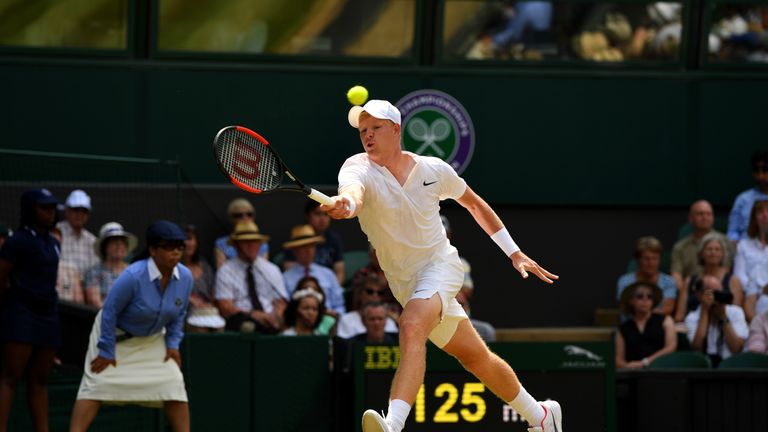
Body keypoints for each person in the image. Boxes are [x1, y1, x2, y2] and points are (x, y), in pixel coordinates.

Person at [323, 99, 561, 432]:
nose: (368, 136)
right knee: (475, 357)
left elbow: (475, 205)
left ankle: (393, 424)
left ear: (396, 129)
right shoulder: (357, 168)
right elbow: (353, 194)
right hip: (404, 282)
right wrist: (346, 205)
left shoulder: (434, 170)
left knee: (410, 325)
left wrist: (514, 252)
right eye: (363, 130)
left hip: (440, 266)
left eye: (376, 127)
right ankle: (542, 416)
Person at [69, 220, 193, 432]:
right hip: (113, 337)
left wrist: (173, 344)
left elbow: (179, 313)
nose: (176, 252)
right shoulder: (133, 276)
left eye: (179, 247)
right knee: (95, 387)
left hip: (152, 340)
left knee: (173, 385)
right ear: (153, 250)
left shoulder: (186, 277)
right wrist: (107, 349)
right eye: (168, 247)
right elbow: (109, 311)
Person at [0, 188, 60, 432]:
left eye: (52, 207)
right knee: (10, 377)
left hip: (48, 317)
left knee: (40, 379)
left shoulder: (54, 242)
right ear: (29, 210)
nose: (50, 212)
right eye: (43, 207)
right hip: (21, 314)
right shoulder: (17, 242)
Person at [215, 221, 287, 334]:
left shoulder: (272, 269)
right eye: (246, 242)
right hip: (241, 321)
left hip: (270, 320)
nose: (251, 246)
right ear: (236, 245)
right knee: (246, 325)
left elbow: (281, 301)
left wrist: (276, 316)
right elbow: (225, 307)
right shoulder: (225, 271)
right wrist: (254, 314)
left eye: (255, 241)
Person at [675, 233, 744, 322]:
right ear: (701, 253)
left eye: (717, 249)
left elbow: (736, 315)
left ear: (723, 254)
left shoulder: (733, 281)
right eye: (709, 249)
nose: (713, 253)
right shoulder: (689, 281)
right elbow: (679, 316)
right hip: (693, 325)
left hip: (723, 326)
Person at [282, 224, 346, 317]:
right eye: (303, 247)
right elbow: (285, 307)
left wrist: (335, 315)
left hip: (328, 321)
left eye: (311, 246)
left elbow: (339, 305)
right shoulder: (285, 278)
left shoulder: (328, 274)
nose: (308, 250)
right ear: (295, 250)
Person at [685, 275, 749, 367]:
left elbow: (737, 349)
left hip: (731, 368)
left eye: (720, 292)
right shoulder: (692, 317)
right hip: (704, 370)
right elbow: (697, 348)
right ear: (699, 295)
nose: (717, 297)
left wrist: (723, 317)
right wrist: (704, 312)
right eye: (713, 293)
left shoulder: (736, 312)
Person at [670, 200, 733, 292]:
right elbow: (676, 275)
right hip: (690, 291)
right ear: (690, 218)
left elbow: (726, 272)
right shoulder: (680, 247)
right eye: (700, 214)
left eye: (708, 214)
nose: (705, 217)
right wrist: (685, 293)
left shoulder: (725, 242)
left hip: (719, 290)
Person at [614, 282, 676, 368]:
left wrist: (646, 362)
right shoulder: (623, 328)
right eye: (640, 296)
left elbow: (671, 347)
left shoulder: (666, 320)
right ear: (631, 301)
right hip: (632, 374)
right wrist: (628, 366)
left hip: (661, 370)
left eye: (649, 297)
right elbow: (618, 359)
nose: (645, 299)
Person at [283, 199, 346, 284]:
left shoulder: (334, 239)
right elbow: (289, 270)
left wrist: (331, 289)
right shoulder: (297, 238)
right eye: (317, 214)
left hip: (327, 284)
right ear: (307, 216)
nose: (322, 219)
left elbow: (339, 271)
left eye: (325, 214)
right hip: (300, 285)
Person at [616, 236, 677, 316]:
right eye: (646, 259)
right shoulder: (625, 281)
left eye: (655, 258)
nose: (651, 263)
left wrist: (643, 314)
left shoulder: (668, 281)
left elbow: (667, 308)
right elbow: (624, 308)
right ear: (638, 259)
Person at [83, 222, 138, 308]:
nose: (119, 246)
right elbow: (95, 302)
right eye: (114, 242)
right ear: (104, 247)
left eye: (122, 242)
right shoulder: (94, 272)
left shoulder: (135, 272)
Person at [182, 225, 224, 333]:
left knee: (219, 328)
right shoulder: (171, 268)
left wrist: (210, 303)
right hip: (185, 314)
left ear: (196, 242)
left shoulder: (204, 265)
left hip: (208, 312)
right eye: (182, 240)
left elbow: (213, 291)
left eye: (190, 239)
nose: (186, 243)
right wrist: (191, 300)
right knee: (200, 329)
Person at [733, 199, 768, 322]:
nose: (765, 215)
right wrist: (753, 290)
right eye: (760, 212)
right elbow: (739, 274)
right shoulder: (743, 245)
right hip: (748, 294)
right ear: (754, 219)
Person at [337, 275, 399, 339]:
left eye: (379, 293)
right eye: (370, 291)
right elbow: (344, 345)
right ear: (360, 294)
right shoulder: (347, 319)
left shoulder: (389, 321)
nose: (375, 295)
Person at [56, 189, 99, 280]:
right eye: (75, 210)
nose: (79, 214)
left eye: (84, 211)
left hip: (85, 289)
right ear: (67, 211)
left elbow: (95, 271)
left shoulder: (92, 240)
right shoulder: (55, 233)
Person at [213, 198, 268, 268]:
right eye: (239, 215)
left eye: (249, 214)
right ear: (231, 218)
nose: (245, 218)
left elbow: (264, 269)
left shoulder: (262, 243)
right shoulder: (222, 243)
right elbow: (221, 269)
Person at [727, 150, 768, 242]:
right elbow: (732, 232)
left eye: (765, 170)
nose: (760, 176)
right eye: (756, 170)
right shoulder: (743, 199)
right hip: (746, 251)